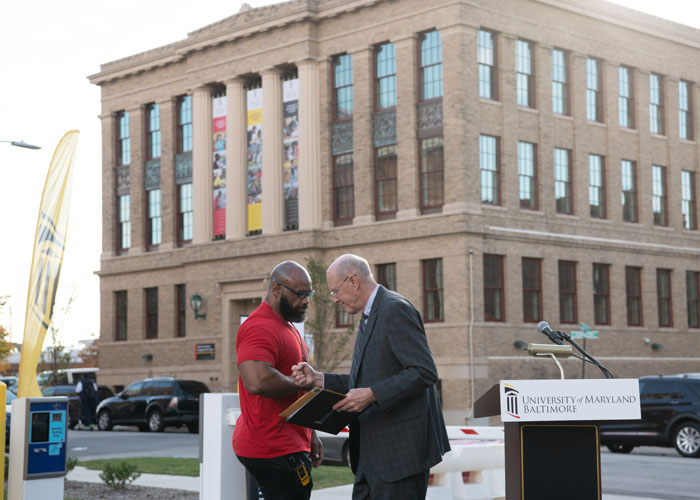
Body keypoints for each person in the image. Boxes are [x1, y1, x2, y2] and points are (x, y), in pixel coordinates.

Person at [292, 254, 450, 500]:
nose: (334, 299)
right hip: (370, 457)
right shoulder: (371, 314)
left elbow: (424, 371)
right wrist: (318, 379)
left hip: (399, 459)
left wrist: (372, 394)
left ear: (353, 281)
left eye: (335, 291)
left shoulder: (395, 309)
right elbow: (367, 380)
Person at [233, 261, 324, 500]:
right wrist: (301, 382)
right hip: (272, 448)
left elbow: (296, 389)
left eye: (309, 294)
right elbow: (257, 381)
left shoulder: (286, 325)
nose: (306, 300)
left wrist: (311, 434)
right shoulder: (259, 327)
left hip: (289, 444)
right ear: (276, 289)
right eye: (300, 294)